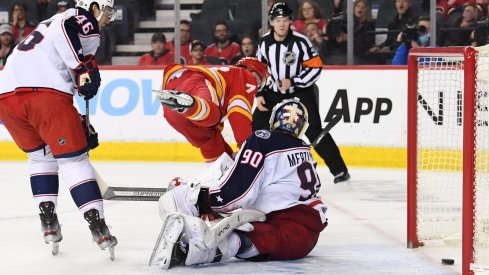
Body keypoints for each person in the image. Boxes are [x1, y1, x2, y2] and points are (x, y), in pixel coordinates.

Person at [151, 98, 328, 269]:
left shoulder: (263, 139)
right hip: (304, 241)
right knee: (239, 241)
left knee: (182, 203)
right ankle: (197, 247)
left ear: (274, 119)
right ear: (302, 127)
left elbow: (235, 194)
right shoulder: (305, 151)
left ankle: (191, 237)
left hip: (281, 227)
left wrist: (199, 200)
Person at [0, 0, 117, 257]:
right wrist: (81, 67)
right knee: (74, 161)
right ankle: (98, 225)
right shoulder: (81, 17)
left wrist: (80, 119)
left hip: (7, 98)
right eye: (107, 10)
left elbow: (70, 75)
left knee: (41, 158)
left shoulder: (44, 25)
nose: (109, 16)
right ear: (94, 6)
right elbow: (65, 30)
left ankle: (49, 223)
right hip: (44, 96)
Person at [255, 2, 350, 183]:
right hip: (272, 93)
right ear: (272, 22)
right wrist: (259, 93)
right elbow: (260, 70)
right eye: (278, 20)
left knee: (313, 130)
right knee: (258, 128)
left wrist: (293, 81)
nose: (281, 24)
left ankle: (339, 170)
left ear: (291, 21)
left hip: (300, 92)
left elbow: (316, 67)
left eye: (285, 20)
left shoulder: (301, 41)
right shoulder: (264, 42)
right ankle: (256, 171)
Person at [154, 57, 269, 163]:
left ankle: (219, 171)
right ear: (250, 69)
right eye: (258, 79)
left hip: (174, 105)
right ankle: (191, 104)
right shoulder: (242, 75)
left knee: (209, 139)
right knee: (212, 117)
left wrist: (231, 158)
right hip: (197, 84)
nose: (256, 85)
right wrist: (249, 148)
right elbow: (239, 114)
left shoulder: (227, 85)